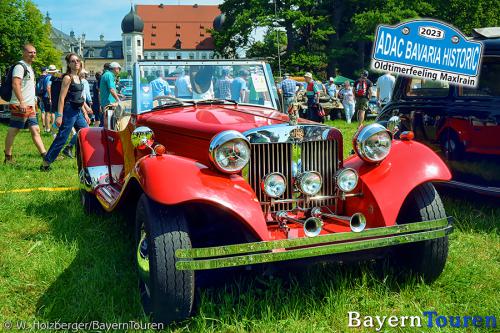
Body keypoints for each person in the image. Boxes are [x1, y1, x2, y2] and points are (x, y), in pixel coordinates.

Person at [41, 53, 90, 170]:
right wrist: (59, 115)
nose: (76, 62)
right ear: (68, 64)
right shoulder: (68, 78)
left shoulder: (79, 77)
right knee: (62, 137)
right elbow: (62, 98)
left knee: (86, 132)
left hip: (77, 111)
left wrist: (86, 112)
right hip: (68, 110)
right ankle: (46, 163)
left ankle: (84, 161)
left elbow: (79, 98)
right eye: (73, 61)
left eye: (78, 60)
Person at [3, 44, 47, 163]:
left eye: (34, 52)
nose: (33, 54)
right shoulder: (20, 66)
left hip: (29, 105)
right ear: (24, 53)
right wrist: (22, 102)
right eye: (30, 52)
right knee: (14, 130)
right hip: (20, 104)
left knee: (35, 130)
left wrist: (33, 102)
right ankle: (8, 157)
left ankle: (46, 156)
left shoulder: (29, 67)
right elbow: (15, 84)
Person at [99, 62, 121, 127]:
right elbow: (111, 89)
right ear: (115, 68)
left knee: (108, 124)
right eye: (119, 69)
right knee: (109, 125)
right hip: (109, 104)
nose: (119, 70)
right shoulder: (109, 75)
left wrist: (118, 95)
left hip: (107, 103)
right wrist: (118, 100)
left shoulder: (107, 74)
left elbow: (107, 90)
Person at [43, 65, 58, 133]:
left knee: (47, 112)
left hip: (45, 96)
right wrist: (50, 97)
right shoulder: (51, 77)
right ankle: (49, 128)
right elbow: (48, 87)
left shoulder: (46, 77)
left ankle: (47, 128)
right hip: (49, 97)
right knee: (50, 112)